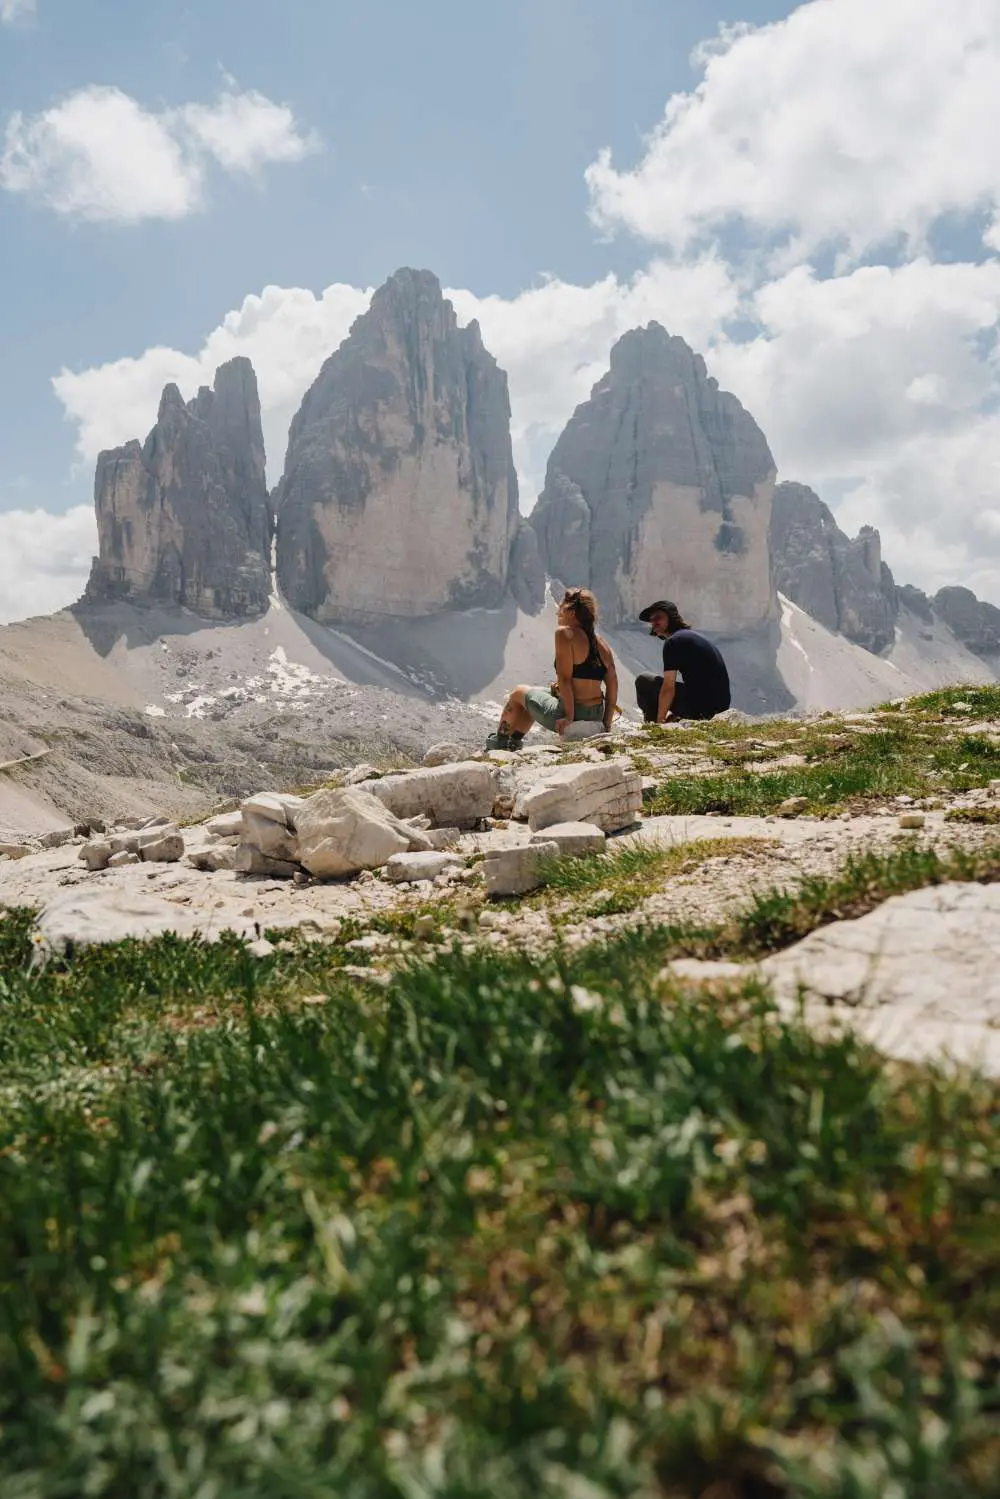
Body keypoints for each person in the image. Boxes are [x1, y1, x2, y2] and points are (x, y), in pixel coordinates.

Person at [486, 587, 619, 751]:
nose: (557, 612)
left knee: (518, 693)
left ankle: (498, 745)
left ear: (572, 611)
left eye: (561, 607)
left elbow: (565, 679)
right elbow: (613, 683)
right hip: (596, 713)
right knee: (534, 694)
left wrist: (568, 718)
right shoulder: (600, 642)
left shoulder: (565, 634)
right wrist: (606, 724)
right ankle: (513, 742)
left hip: (573, 713)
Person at [634, 599, 731, 724]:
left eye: (658, 618)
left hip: (705, 709)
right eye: (652, 620)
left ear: (671, 618)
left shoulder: (673, 642)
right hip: (718, 708)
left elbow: (669, 687)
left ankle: (653, 725)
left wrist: (660, 722)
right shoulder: (689, 637)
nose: (654, 623)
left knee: (644, 680)